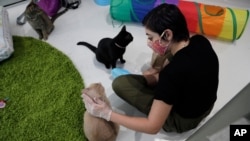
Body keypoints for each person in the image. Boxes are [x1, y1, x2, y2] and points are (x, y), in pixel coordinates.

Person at [82, 3, 219, 134]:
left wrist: (107, 114)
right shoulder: (200, 41)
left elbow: (152, 126)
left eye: (151, 37)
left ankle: (155, 80)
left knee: (120, 84)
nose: (149, 43)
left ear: (167, 35)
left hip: (184, 121)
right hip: (206, 105)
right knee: (165, 61)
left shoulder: (172, 74)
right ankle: (155, 78)